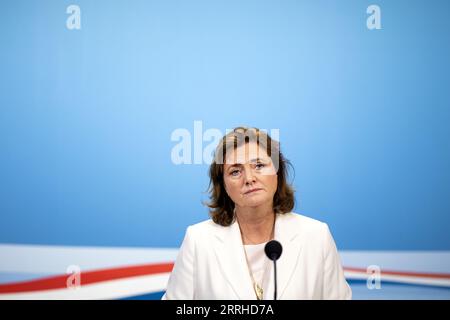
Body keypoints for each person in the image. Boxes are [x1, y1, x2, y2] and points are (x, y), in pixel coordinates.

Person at [162, 127, 351, 300]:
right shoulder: (198, 240)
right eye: (235, 171)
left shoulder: (316, 236)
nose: (250, 179)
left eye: (259, 165)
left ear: (278, 172)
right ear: (224, 185)